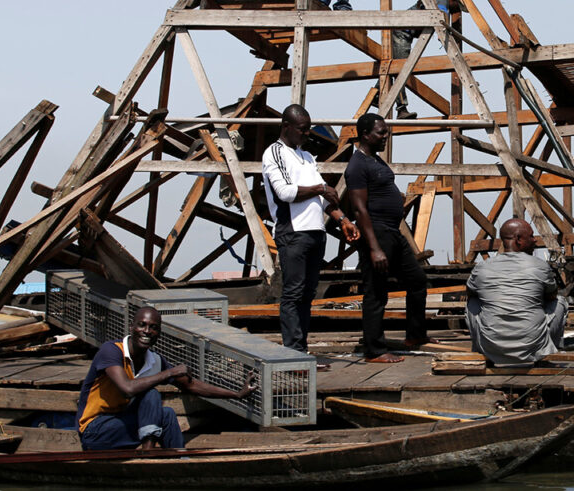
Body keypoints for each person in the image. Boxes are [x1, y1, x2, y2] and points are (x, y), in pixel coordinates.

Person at [77, 307, 255, 450]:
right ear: (132, 327)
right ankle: (148, 454)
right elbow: (127, 388)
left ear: (159, 333)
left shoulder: (154, 361)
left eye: (153, 328)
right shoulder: (112, 351)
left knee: (167, 414)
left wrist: (237, 394)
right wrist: (169, 373)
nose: (147, 331)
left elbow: (192, 386)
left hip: (122, 424)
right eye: (142, 325)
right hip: (95, 431)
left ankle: (178, 462)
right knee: (152, 394)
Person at [262, 104, 359, 355]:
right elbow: (285, 192)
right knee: (293, 294)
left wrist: (343, 220)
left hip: (316, 232)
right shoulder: (274, 153)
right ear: (287, 127)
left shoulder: (305, 157)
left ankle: (301, 350)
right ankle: (293, 352)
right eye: (303, 130)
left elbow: (324, 199)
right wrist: (320, 189)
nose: (307, 134)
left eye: (307, 130)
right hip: (293, 233)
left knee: (307, 294)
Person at [344, 113, 429, 363]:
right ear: (365, 134)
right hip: (377, 233)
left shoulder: (375, 161)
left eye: (386, 131)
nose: (386, 136)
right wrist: (374, 248)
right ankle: (375, 350)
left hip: (392, 231)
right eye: (381, 132)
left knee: (417, 279)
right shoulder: (357, 165)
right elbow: (359, 209)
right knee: (376, 292)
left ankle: (415, 334)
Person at [465, 218, 567, 367]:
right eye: (531, 236)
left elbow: (470, 293)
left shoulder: (482, 268)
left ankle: (481, 350)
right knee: (560, 301)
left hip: (491, 346)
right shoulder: (540, 266)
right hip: (532, 346)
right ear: (518, 239)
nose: (535, 241)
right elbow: (551, 296)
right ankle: (548, 353)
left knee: (472, 303)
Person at [388, 0, 457, 119]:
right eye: (457, 7)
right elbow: (441, 13)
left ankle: (378, 92)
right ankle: (401, 109)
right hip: (402, 32)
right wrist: (443, 31)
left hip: (404, 32)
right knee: (400, 71)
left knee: (393, 69)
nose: (455, 11)